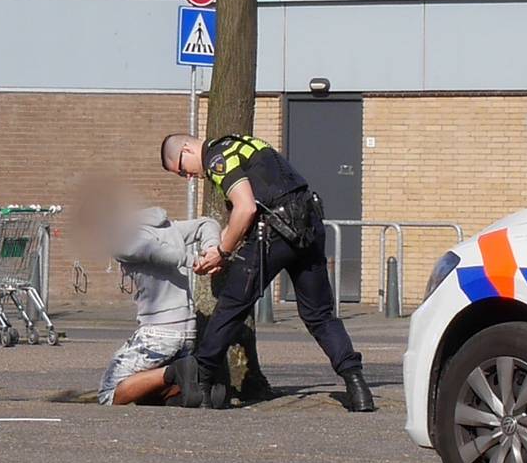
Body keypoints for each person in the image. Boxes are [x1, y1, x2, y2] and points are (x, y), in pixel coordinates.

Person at [160, 133, 377, 412]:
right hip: (307, 225)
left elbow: (246, 208)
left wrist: (222, 253)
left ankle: (201, 383)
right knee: (319, 315)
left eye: (181, 170)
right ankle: (357, 385)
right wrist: (229, 244)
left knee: (231, 307)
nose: (188, 177)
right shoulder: (244, 144)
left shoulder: (216, 157)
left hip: (271, 234)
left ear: (187, 149)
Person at [95, 204, 222, 407]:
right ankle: (187, 393)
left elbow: (154, 251)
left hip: (159, 333)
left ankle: (174, 372)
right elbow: (207, 224)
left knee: (109, 393)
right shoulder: (168, 228)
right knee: (146, 392)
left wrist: (195, 261)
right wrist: (212, 249)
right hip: (188, 331)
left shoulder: (121, 240)